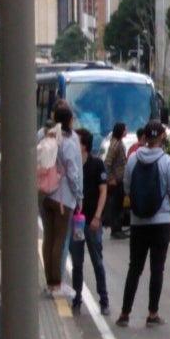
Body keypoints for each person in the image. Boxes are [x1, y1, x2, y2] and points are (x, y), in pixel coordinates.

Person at [117, 121, 170, 329]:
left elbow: (127, 187)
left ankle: (125, 313)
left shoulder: (134, 159)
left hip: (138, 222)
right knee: (157, 269)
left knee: (134, 268)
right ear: (162, 136)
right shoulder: (166, 161)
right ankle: (152, 314)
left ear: (145, 136)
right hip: (161, 221)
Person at [40, 103, 83, 297]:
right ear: (69, 121)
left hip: (46, 194)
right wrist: (79, 195)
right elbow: (73, 174)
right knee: (59, 240)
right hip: (63, 198)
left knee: (48, 239)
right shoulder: (69, 143)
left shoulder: (47, 136)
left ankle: (49, 282)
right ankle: (57, 284)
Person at [70, 128, 109, 314]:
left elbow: (103, 191)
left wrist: (97, 217)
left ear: (84, 145)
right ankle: (76, 298)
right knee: (77, 262)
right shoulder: (73, 165)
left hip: (92, 219)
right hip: (76, 220)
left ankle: (104, 299)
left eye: (76, 141)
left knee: (97, 261)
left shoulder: (97, 164)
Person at [104, 121, 128, 238]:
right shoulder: (115, 145)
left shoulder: (119, 143)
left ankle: (118, 228)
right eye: (125, 129)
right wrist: (111, 178)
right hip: (116, 180)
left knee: (119, 205)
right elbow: (107, 163)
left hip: (121, 179)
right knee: (116, 206)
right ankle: (115, 230)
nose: (126, 131)